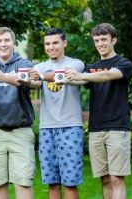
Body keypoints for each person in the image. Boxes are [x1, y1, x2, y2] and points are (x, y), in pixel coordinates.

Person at [66, 23, 132, 199]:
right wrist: (63, 78)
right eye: (96, 40)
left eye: (104, 39)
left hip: (117, 128)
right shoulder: (92, 67)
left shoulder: (124, 63)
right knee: (104, 179)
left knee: (116, 178)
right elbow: (79, 81)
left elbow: (108, 75)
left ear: (114, 40)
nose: (100, 43)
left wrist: (80, 75)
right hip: (96, 128)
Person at [0, 27, 40, 199]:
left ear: (13, 43)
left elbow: (32, 83)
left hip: (21, 131)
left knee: (24, 182)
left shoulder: (24, 64)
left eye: (7, 40)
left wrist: (3, 77)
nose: (3, 44)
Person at [33, 28, 85, 199]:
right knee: (52, 183)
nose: (51, 47)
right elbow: (31, 82)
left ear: (64, 43)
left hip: (70, 127)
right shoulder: (40, 66)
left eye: (55, 43)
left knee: (70, 183)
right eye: (47, 44)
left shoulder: (76, 64)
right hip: (47, 129)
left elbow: (60, 75)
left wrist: (39, 76)